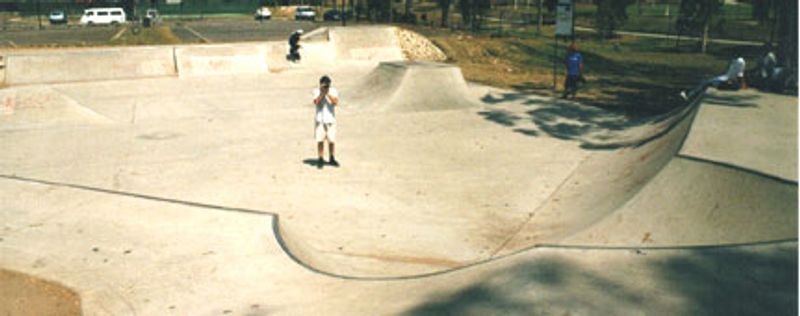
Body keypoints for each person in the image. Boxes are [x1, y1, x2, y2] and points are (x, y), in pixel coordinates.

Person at [681, 53, 746, 100]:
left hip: (724, 82)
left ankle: (689, 95)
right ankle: (691, 95)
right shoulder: (735, 62)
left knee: (704, 82)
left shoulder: (739, 63)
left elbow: (739, 75)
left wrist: (740, 84)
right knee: (705, 81)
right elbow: (731, 73)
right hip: (723, 80)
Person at [313, 75, 339, 168]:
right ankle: (320, 158)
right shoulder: (316, 91)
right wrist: (322, 94)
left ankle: (331, 157)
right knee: (320, 140)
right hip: (320, 119)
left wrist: (327, 94)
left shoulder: (333, 91)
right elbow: (316, 102)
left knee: (331, 140)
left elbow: (335, 102)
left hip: (330, 119)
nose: (326, 87)